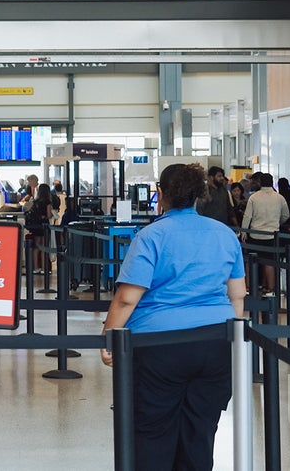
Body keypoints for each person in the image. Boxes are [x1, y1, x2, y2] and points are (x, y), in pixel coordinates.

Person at [100, 163, 245, 471]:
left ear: (160, 194)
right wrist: (229, 339)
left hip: (158, 347)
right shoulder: (225, 235)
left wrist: (109, 337)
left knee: (152, 434)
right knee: (200, 432)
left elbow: (127, 297)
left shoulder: (151, 236)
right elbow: (237, 296)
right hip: (216, 342)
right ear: (200, 196)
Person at [241, 172, 288, 296]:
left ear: (260, 182)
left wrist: (244, 231)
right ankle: (270, 289)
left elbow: (247, 216)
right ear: (272, 182)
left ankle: (248, 288)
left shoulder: (254, 197)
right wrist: (277, 222)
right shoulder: (279, 197)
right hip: (272, 234)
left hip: (255, 233)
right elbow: (286, 215)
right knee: (269, 262)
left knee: (250, 261)